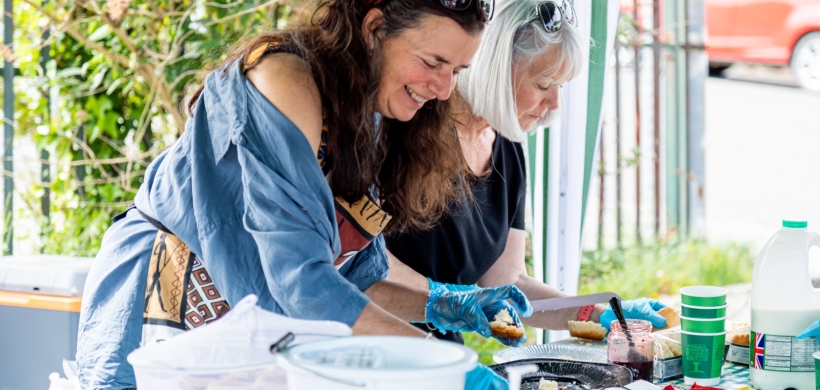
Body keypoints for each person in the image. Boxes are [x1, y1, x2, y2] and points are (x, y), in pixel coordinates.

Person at [76, 0, 530, 388]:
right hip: (165, 304)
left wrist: (444, 303)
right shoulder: (283, 80)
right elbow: (302, 282)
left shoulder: (369, 114)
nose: (445, 89)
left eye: (457, 70)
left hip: (247, 330)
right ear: (373, 30)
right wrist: (445, 367)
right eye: (433, 63)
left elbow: (354, 283)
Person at [386, 0, 669, 345]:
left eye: (560, 86)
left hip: (441, 356)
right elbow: (363, 266)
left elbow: (509, 281)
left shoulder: (507, 148)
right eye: (544, 84)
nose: (555, 104)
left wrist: (598, 312)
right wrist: (447, 302)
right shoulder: (406, 127)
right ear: (496, 69)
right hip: (376, 350)